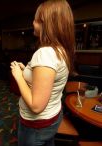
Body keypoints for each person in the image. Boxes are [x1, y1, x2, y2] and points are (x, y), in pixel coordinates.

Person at [10, 0, 75, 146]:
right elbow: (46, 80)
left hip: (36, 126)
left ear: (46, 23)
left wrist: (19, 76)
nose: (33, 23)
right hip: (53, 118)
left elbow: (36, 106)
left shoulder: (45, 54)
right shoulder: (61, 50)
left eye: (36, 19)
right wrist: (27, 70)